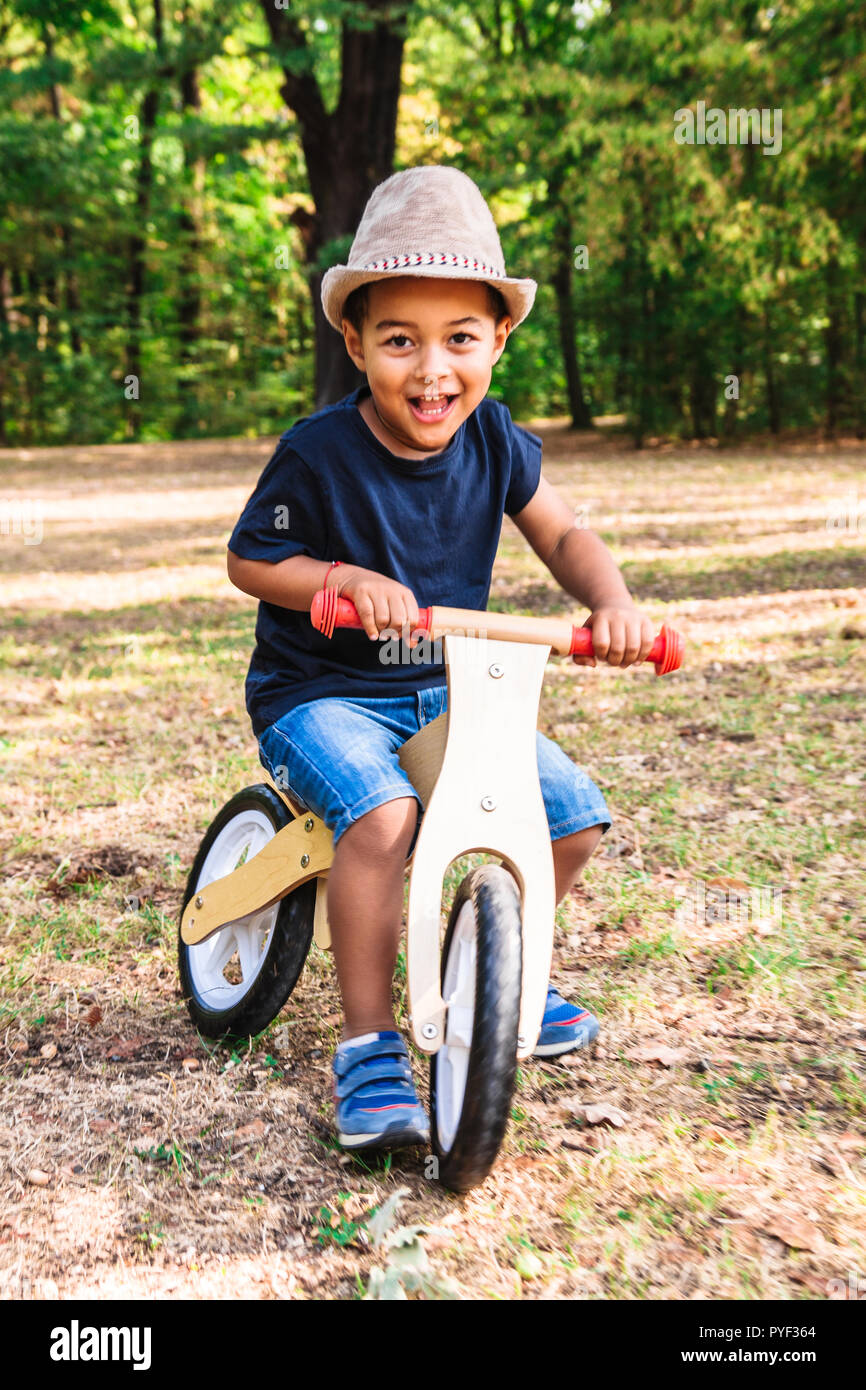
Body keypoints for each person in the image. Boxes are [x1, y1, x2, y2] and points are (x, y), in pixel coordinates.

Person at [227, 165, 657, 1151]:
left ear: (497, 339)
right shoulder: (318, 451)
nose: (431, 370)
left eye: (459, 339)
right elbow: (248, 558)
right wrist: (333, 576)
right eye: (398, 340)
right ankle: (369, 1049)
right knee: (383, 817)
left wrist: (612, 602)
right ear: (354, 341)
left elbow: (561, 536)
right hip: (320, 693)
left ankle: (508, 972)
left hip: (439, 687)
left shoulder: (496, 444)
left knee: (572, 816)